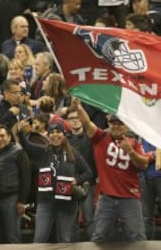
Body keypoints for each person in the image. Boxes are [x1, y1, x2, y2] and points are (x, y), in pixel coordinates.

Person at [72, 98, 149, 242]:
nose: (116, 126)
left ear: (126, 126)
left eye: (120, 124)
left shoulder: (134, 143)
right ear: (108, 123)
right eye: (113, 123)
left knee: (137, 236)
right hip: (106, 197)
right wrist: (78, 107)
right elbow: (87, 124)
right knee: (99, 236)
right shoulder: (101, 138)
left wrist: (131, 152)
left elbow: (143, 164)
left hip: (130, 198)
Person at [17, 118, 93, 243]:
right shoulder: (43, 151)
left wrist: (77, 180)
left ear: (64, 134)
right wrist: (20, 131)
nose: (55, 135)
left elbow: (88, 172)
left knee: (63, 239)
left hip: (67, 203)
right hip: (45, 202)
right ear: (48, 135)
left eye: (58, 132)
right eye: (52, 132)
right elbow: (26, 145)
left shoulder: (73, 153)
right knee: (39, 239)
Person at [0, 124, 31, 243]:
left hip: (12, 200)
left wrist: (22, 202)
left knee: (12, 237)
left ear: (9, 136)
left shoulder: (18, 152)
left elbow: (26, 178)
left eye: (2, 136)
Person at [66, 109, 96, 241]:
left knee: (89, 219)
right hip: (70, 183)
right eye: (72, 118)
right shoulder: (65, 140)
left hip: (87, 182)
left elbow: (96, 159)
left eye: (77, 118)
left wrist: (94, 178)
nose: (75, 120)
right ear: (68, 121)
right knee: (72, 220)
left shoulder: (91, 138)